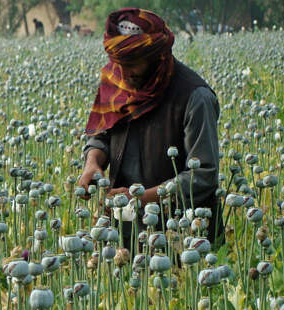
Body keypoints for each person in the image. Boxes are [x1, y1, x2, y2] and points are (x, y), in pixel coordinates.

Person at [78, 8, 223, 247]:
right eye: (120, 63)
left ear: (157, 56)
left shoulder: (194, 97)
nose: (125, 72)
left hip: (182, 238)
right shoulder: (118, 81)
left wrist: (142, 198)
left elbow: (203, 175)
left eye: (133, 64)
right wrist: (92, 163)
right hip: (123, 232)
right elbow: (102, 135)